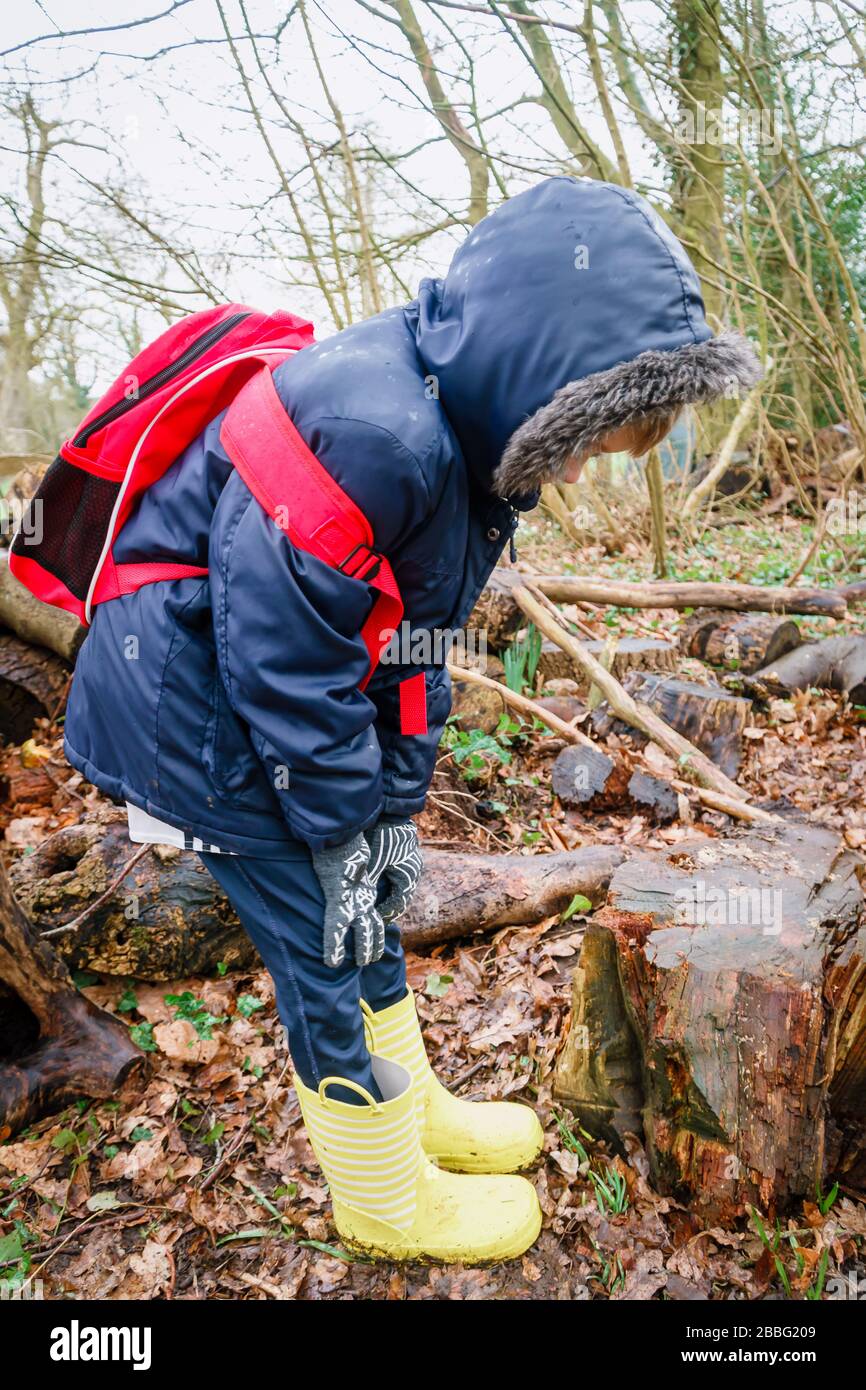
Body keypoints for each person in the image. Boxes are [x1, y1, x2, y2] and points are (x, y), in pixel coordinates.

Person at [63, 176, 761, 1263]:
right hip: (192, 713)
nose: (578, 470)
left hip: (268, 702)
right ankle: (381, 1197)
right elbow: (288, 666)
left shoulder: (469, 450)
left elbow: (407, 648)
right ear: (547, 373)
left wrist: (389, 813)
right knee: (320, 943)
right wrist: (338, 827)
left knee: (373, 897)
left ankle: (414, 1104)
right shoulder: (375, 434)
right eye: (590, 439)